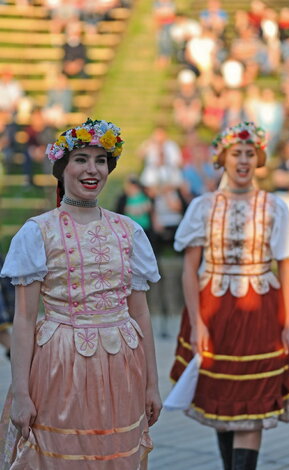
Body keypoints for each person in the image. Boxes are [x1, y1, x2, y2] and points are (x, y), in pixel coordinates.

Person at [0, 117, 162, 469]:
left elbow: (142, 314)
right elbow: (25, 319)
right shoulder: (38, 232)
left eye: (100, 160)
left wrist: (153, 384)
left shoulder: (129, 231)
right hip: (60, 364)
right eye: (81, 160)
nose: (92, 170)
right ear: (62, 169)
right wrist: (22, 395)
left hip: (122, 364)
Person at [169, 121, 289, 470]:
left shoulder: (274, 207)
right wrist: (197, 323)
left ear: (258, 159)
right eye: (236, 153)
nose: (243, 160)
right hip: (214, 309)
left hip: (259, 310)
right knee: (222, 396)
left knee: (252, 398)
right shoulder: (203, 206)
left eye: (249, 153)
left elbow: (285, 268)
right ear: (223, 159)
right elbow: (190, 269)